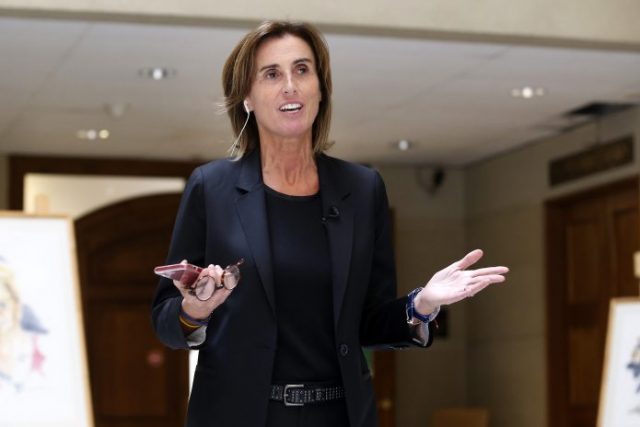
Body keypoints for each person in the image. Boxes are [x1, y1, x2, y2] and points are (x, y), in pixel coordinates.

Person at [151, 20, 508, 427]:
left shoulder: (363, 188)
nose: (290, 86)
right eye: (271, 74)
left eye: (302, 70)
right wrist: (195, 309)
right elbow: (164, 320)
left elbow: (369, 321)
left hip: (340, 414)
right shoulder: (211, 187)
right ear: (246, 97)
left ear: (320, 89)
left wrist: (422, 304)